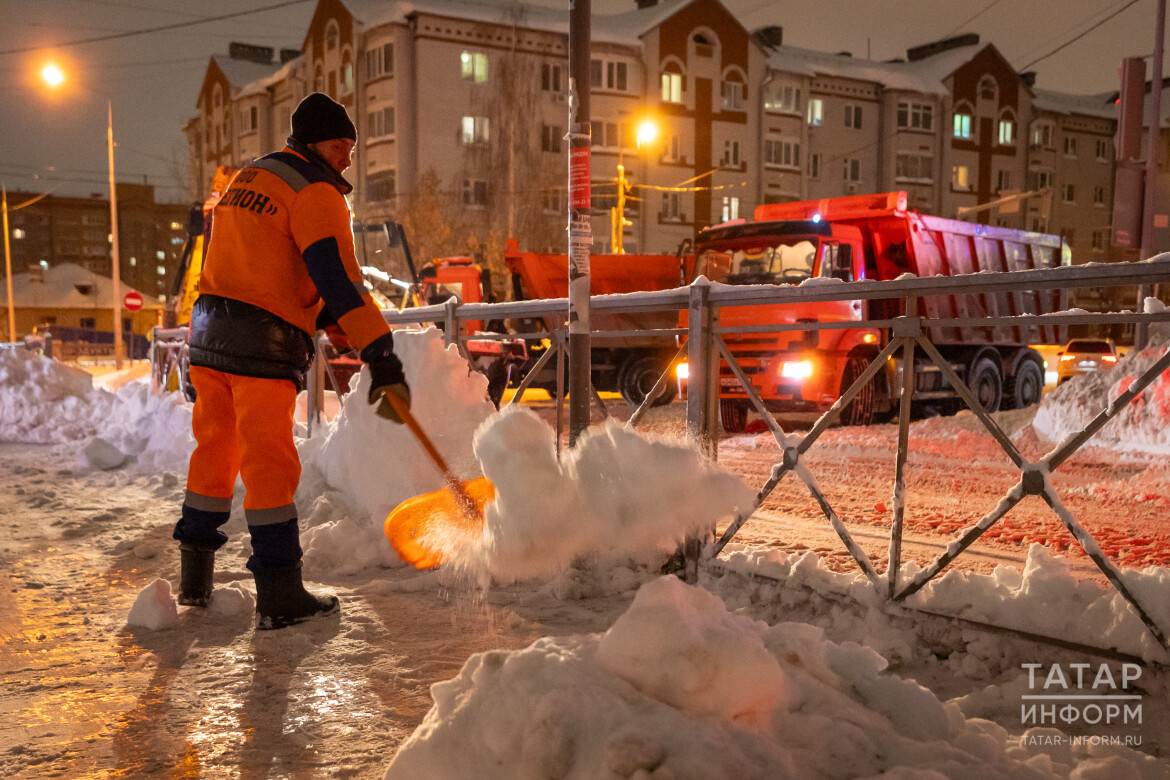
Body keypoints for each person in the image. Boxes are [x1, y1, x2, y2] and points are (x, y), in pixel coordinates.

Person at [173, 93, 410, 630]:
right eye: (338, 144)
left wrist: (328, 321)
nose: (347, 155)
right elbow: (338, 280)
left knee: (214, 451)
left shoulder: (250, 178)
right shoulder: (317, 191)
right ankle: (280, 593)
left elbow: (271, 263)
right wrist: (380, 349)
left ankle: (194, 582)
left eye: (351, 145)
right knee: (269, 464)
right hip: (261, 345)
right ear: (310, 143)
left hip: (209, 336)